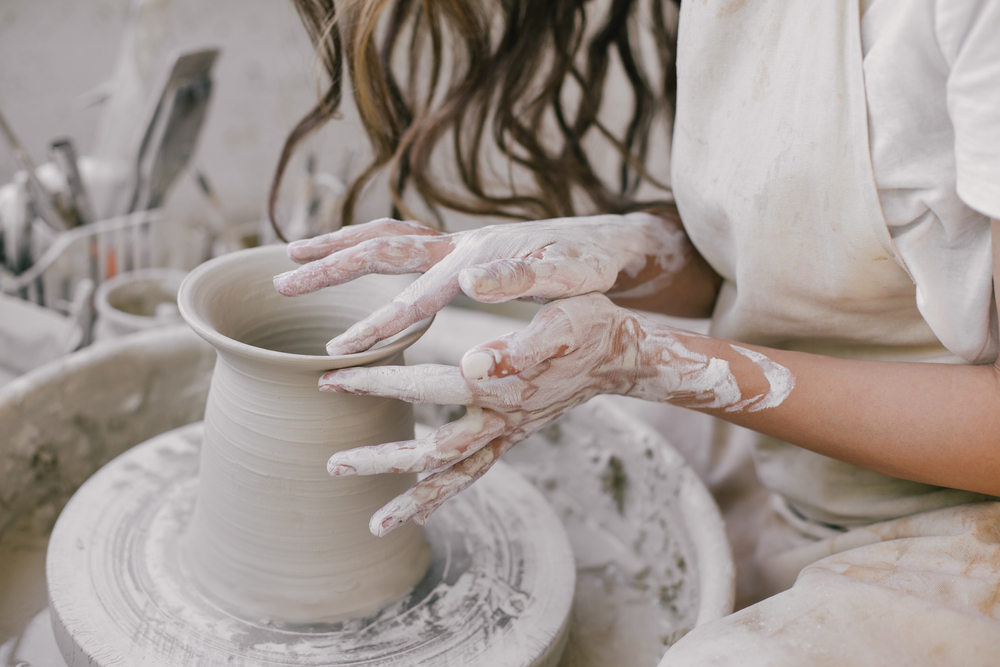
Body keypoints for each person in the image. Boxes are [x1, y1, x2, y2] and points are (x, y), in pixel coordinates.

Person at [269, 0, 1000, 664]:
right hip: (793, 456)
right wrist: (623, 248)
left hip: (963, 506)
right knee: (506, 380)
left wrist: (645, 359)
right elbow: (801, 248)